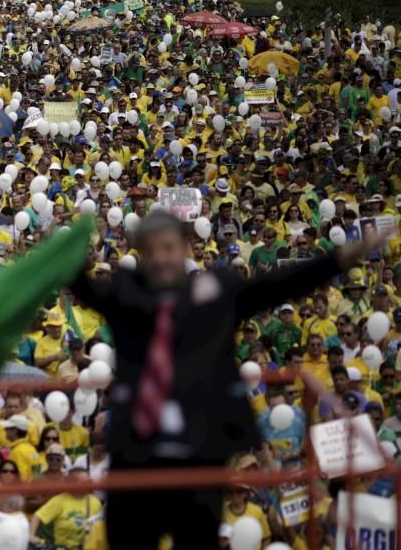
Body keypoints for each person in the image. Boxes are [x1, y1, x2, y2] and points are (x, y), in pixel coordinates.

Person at [67, 212, 383, 548]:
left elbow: (278, 285)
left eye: (169, 247)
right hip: (136, 460)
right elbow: (83, 287)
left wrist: (340, 258)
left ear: (186, 248)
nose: (160, 258)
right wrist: (59, 251)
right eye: (152, 249)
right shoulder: (125, 293)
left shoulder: (218, 292)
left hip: (201, 458)